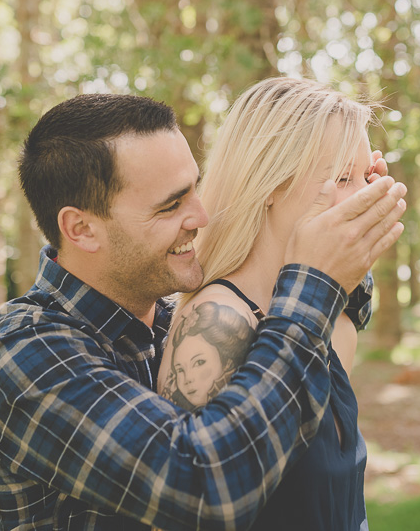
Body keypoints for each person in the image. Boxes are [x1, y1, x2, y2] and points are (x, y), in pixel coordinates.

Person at [0, 93, 407, 531]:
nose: (201, 215)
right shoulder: (27, 351)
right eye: (170, 205)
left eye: (195, 188)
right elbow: (205, 486)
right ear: (82, 229)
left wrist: (350, 235)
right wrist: (315, 284)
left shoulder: (164, 313)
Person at [157, 77, 385, 531]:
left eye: (366, 176)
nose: (363, 194)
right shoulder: (215, 326)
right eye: (341, 177)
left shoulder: (329, 318)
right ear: (271, 184)